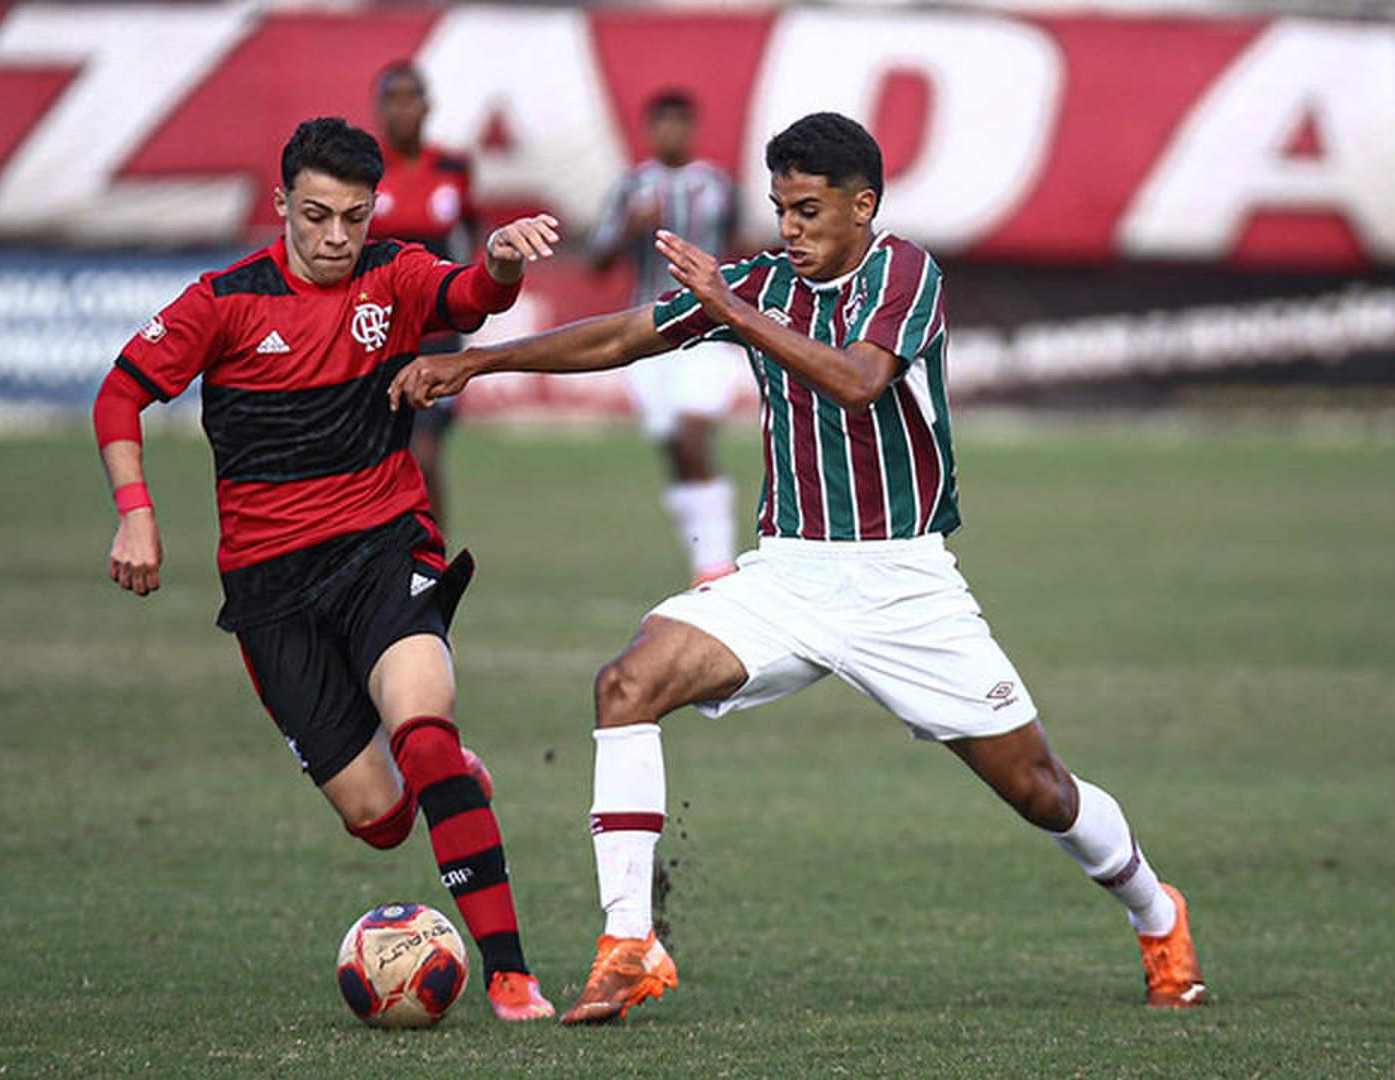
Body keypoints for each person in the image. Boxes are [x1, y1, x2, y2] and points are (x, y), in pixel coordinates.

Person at [392, 112, 1207, 1024]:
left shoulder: (905, 272)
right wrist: (478, 362)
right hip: (788, 575)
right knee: (626, 684)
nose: (791, 229)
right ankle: (628, 944)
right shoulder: (764, 281)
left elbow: (859, 379)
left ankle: (1154, 909)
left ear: (863, 207)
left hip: (905, 584)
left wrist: (733, 311)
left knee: (1040, 791)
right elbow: (624, 338)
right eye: (781, 209)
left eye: (810, 210)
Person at [93, 116, 561, 1022]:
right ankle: (448, 773)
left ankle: (510, 974)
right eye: (316, 217)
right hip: (271, 592)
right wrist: (137, 517)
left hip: (383, 548)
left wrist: (502, 259)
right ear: (281, 207)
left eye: (354, 216)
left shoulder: (395, 273)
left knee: (422, 733)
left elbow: (472, 300)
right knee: (380, 821)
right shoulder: (222, 302)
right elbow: (121, 392)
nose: (337, 237)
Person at [586, 89, 742, 584]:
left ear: (692, 129)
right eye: (663, 125)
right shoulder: (632, 188)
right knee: (674, 445)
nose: (672, 133)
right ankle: (703, 555)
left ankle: (716, 565)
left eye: (681, 124)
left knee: (693, 437)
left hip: (708, 331)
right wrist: (631, 230)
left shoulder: (718, 186)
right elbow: (598, 260)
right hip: (650, 336)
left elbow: (737, 247)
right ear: (650, 131)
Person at [369, 61, 478, 523]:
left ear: (427, 105)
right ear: (378, 109)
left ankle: (433, 561)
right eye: (393, 99)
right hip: (374, 332)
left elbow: (473, 228)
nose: (402, 110)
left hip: (435, 333)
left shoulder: (454, 168)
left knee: (424, 455)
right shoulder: (364, 169)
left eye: (410, 98)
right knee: (376, 462)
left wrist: (475, 290)